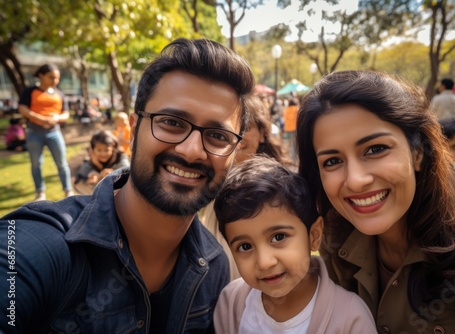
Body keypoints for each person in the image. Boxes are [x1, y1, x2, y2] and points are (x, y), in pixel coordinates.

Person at [0, 38, 255, 333]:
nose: (191, 150)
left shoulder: (214, 266)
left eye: (218, 136)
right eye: (172, 122)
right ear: (133, 131)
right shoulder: (40, 246)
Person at [296, 70, 455, 333]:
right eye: (332, 161)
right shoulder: (334, 234)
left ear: (417, 152)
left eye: (376, 149)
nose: (356, 180)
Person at [213, 156, 377, 333]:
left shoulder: (350, 317)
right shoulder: (231, 303)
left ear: (314, 235)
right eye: (245, 247)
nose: (264, 262)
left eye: (278, 237)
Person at [199, 94, 291, 281]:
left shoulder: (280, 184)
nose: (237, 136)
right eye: (229, 128)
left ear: (263, 132)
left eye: (246, 128)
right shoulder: (207, 178)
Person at [17, 63, 73, 201]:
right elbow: (22, 108)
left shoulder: (59, 94)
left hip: (54, 132)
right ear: (41, 75)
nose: (55, 81)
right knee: (36, 164)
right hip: (34, 133)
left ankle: (68, 190)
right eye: (51, 77)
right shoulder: (30, 91)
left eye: (57, 78)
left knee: (62, 163)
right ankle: (40, 192)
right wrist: (40, 118)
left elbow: (66, 114)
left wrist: (56, 118)